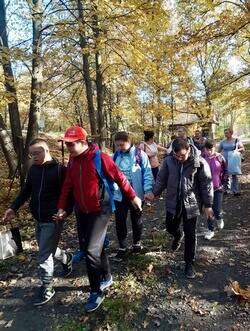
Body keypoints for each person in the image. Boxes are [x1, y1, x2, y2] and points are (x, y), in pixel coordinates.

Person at [54, 126, 142, 313]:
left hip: (100, 209)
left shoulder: (99, 158)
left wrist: (133, 197)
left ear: (83, 142)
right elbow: (67, 186)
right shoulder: (72, 160)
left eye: (71, 144)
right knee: (97, 246)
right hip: (82, 210)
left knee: (90, 249)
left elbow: (120, 178)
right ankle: (107, 276)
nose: (68, 147)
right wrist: (62, 208)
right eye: (66, 144)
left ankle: (96, 292)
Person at [4, 138, 73, 306]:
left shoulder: (60, 170)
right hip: (38, 217)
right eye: (31, 154)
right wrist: (13, 207)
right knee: (47, 249)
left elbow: (70, 195)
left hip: (53, 219)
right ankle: (66, 258)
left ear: (47, 151)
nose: (34, 156)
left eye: (37, 153)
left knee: (43, 255)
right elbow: (27, 190)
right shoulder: (33, 169)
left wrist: (64, 213)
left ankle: (47, 286)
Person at [145, 139, 213, 279]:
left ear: (189, 150)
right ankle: (177, 235)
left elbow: (206, 184)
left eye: (182, 155)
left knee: (190, 233)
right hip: (173, 202)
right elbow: (162, 179)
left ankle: (189, 262)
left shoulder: (199, 162)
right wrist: (154, 193)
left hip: (191, 203)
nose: (180, 158)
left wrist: (208, 205)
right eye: (177, 156)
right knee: (170, 226)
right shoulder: (169, 161)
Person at [113, 131, 153, 260]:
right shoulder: (115, 156)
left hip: (136, 194)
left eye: (121, 145)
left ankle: (137, 243)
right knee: (119, 220)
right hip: (119, 194)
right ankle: (122, 247)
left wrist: (147, 190)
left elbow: (147, 173)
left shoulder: (140, 155)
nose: (119, 148)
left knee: (136, 219)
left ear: (128, 142)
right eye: (117, 145)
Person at [201, 139, 229, 240]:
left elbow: (226, 171)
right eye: (207, 149)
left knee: (216, 209)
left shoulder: (220, 158)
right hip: (205, 189)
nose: (209, 151)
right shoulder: (202, 158)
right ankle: (210, 229)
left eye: (211, 149)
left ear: (215, 148)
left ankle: (219, 217)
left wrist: (222, 181)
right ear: (205, 149)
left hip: (218, 188)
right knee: (209, 210)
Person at [218, 128, 244, 196]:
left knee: (234, 174)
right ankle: (226, 189)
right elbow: (218, 151)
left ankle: (235, 190)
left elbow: (242, 148)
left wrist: (236, 150)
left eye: (227, 133)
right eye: (225, 133)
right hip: (225, 159)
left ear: (231, 133)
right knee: (225, 174)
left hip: (233, 159)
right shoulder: (222, 142)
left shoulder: (236, 140)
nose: (225, 134)